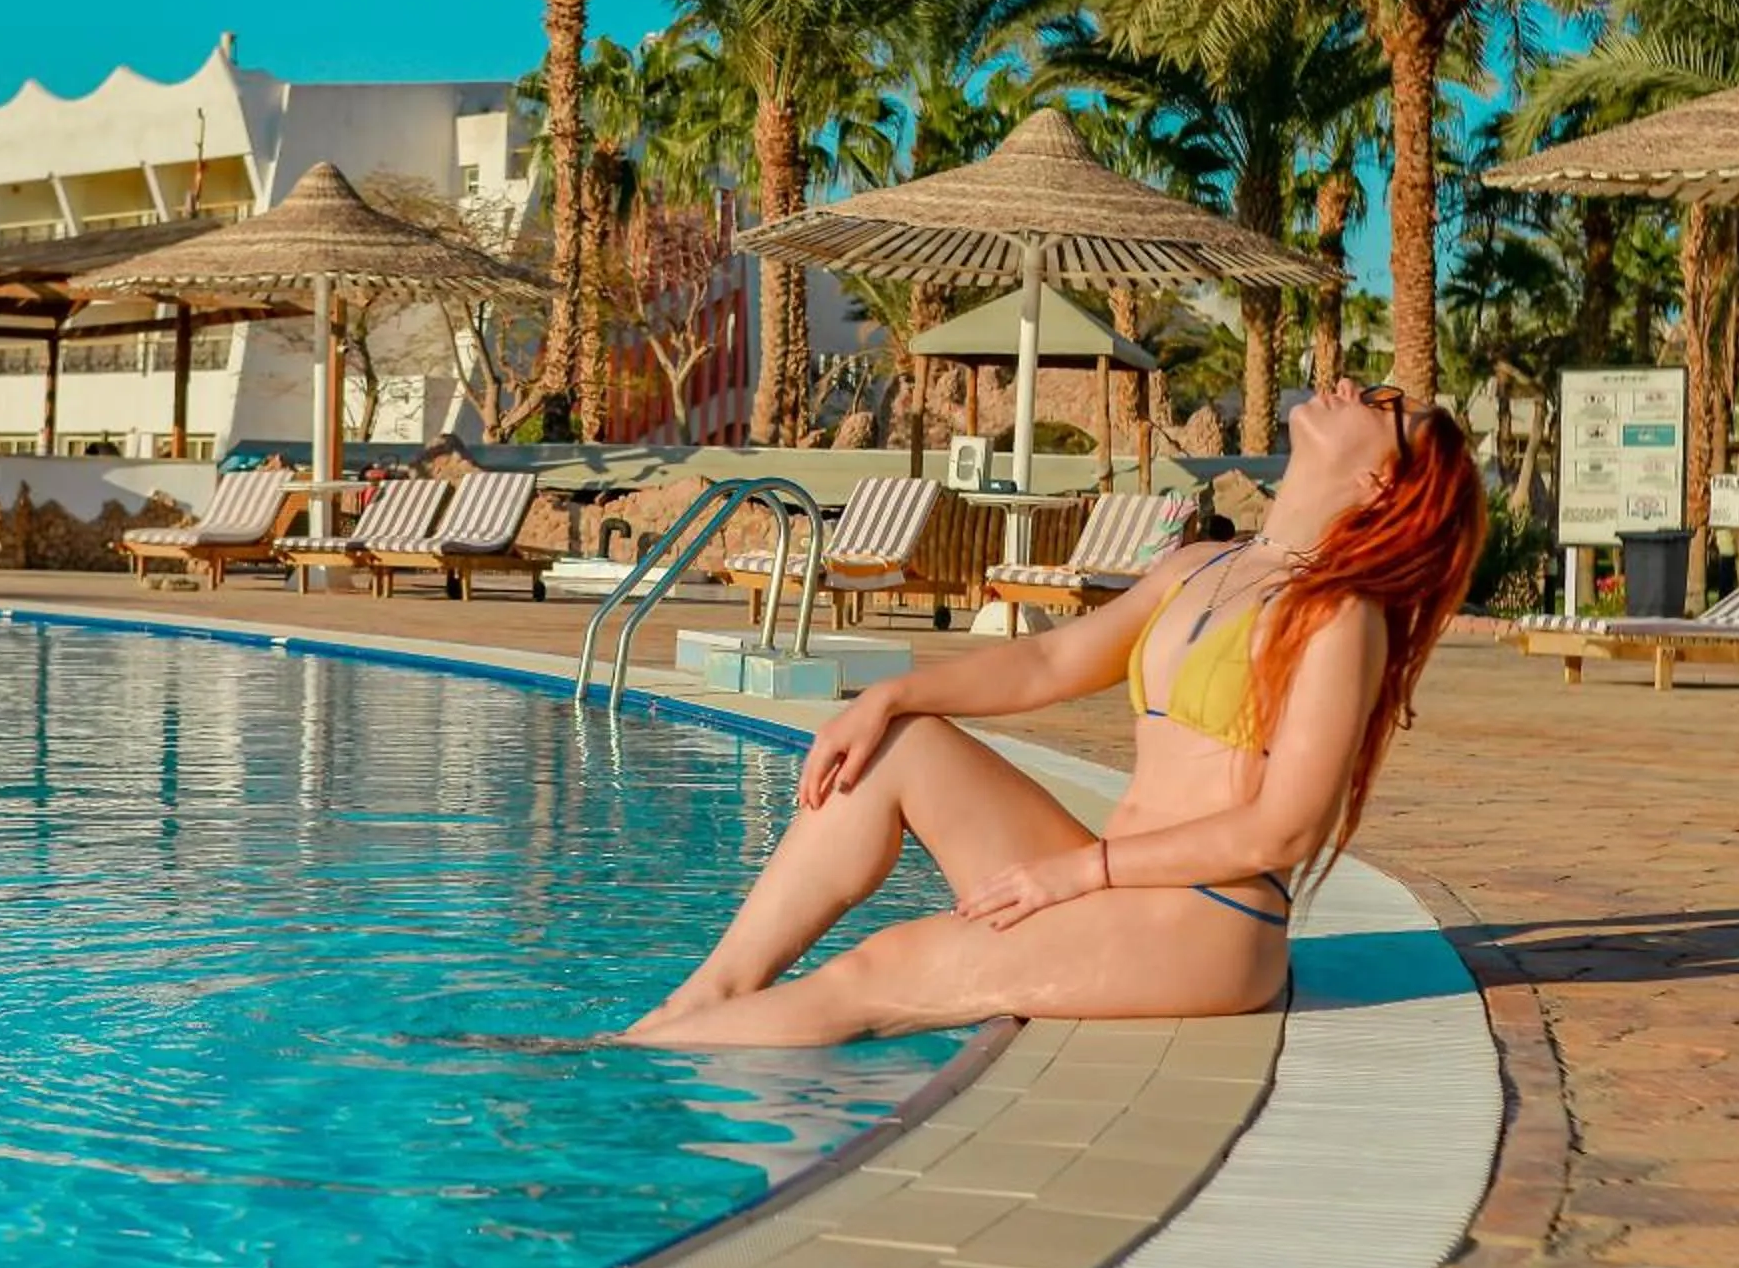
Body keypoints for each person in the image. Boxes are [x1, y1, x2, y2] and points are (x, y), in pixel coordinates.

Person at [624, 380, 1485, 1047]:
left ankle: (631, 1061)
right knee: (898, 746)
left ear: (1381, 479)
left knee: (882, 969)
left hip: (1205, 921)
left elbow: (1281, 834)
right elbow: (1050, 660)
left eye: (1386, 407)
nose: (1357, 389)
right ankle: (706, 1000)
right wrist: (888, 694)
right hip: (1120, 884)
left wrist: (1083, 871)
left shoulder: (1340, 618)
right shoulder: (1202, 567)